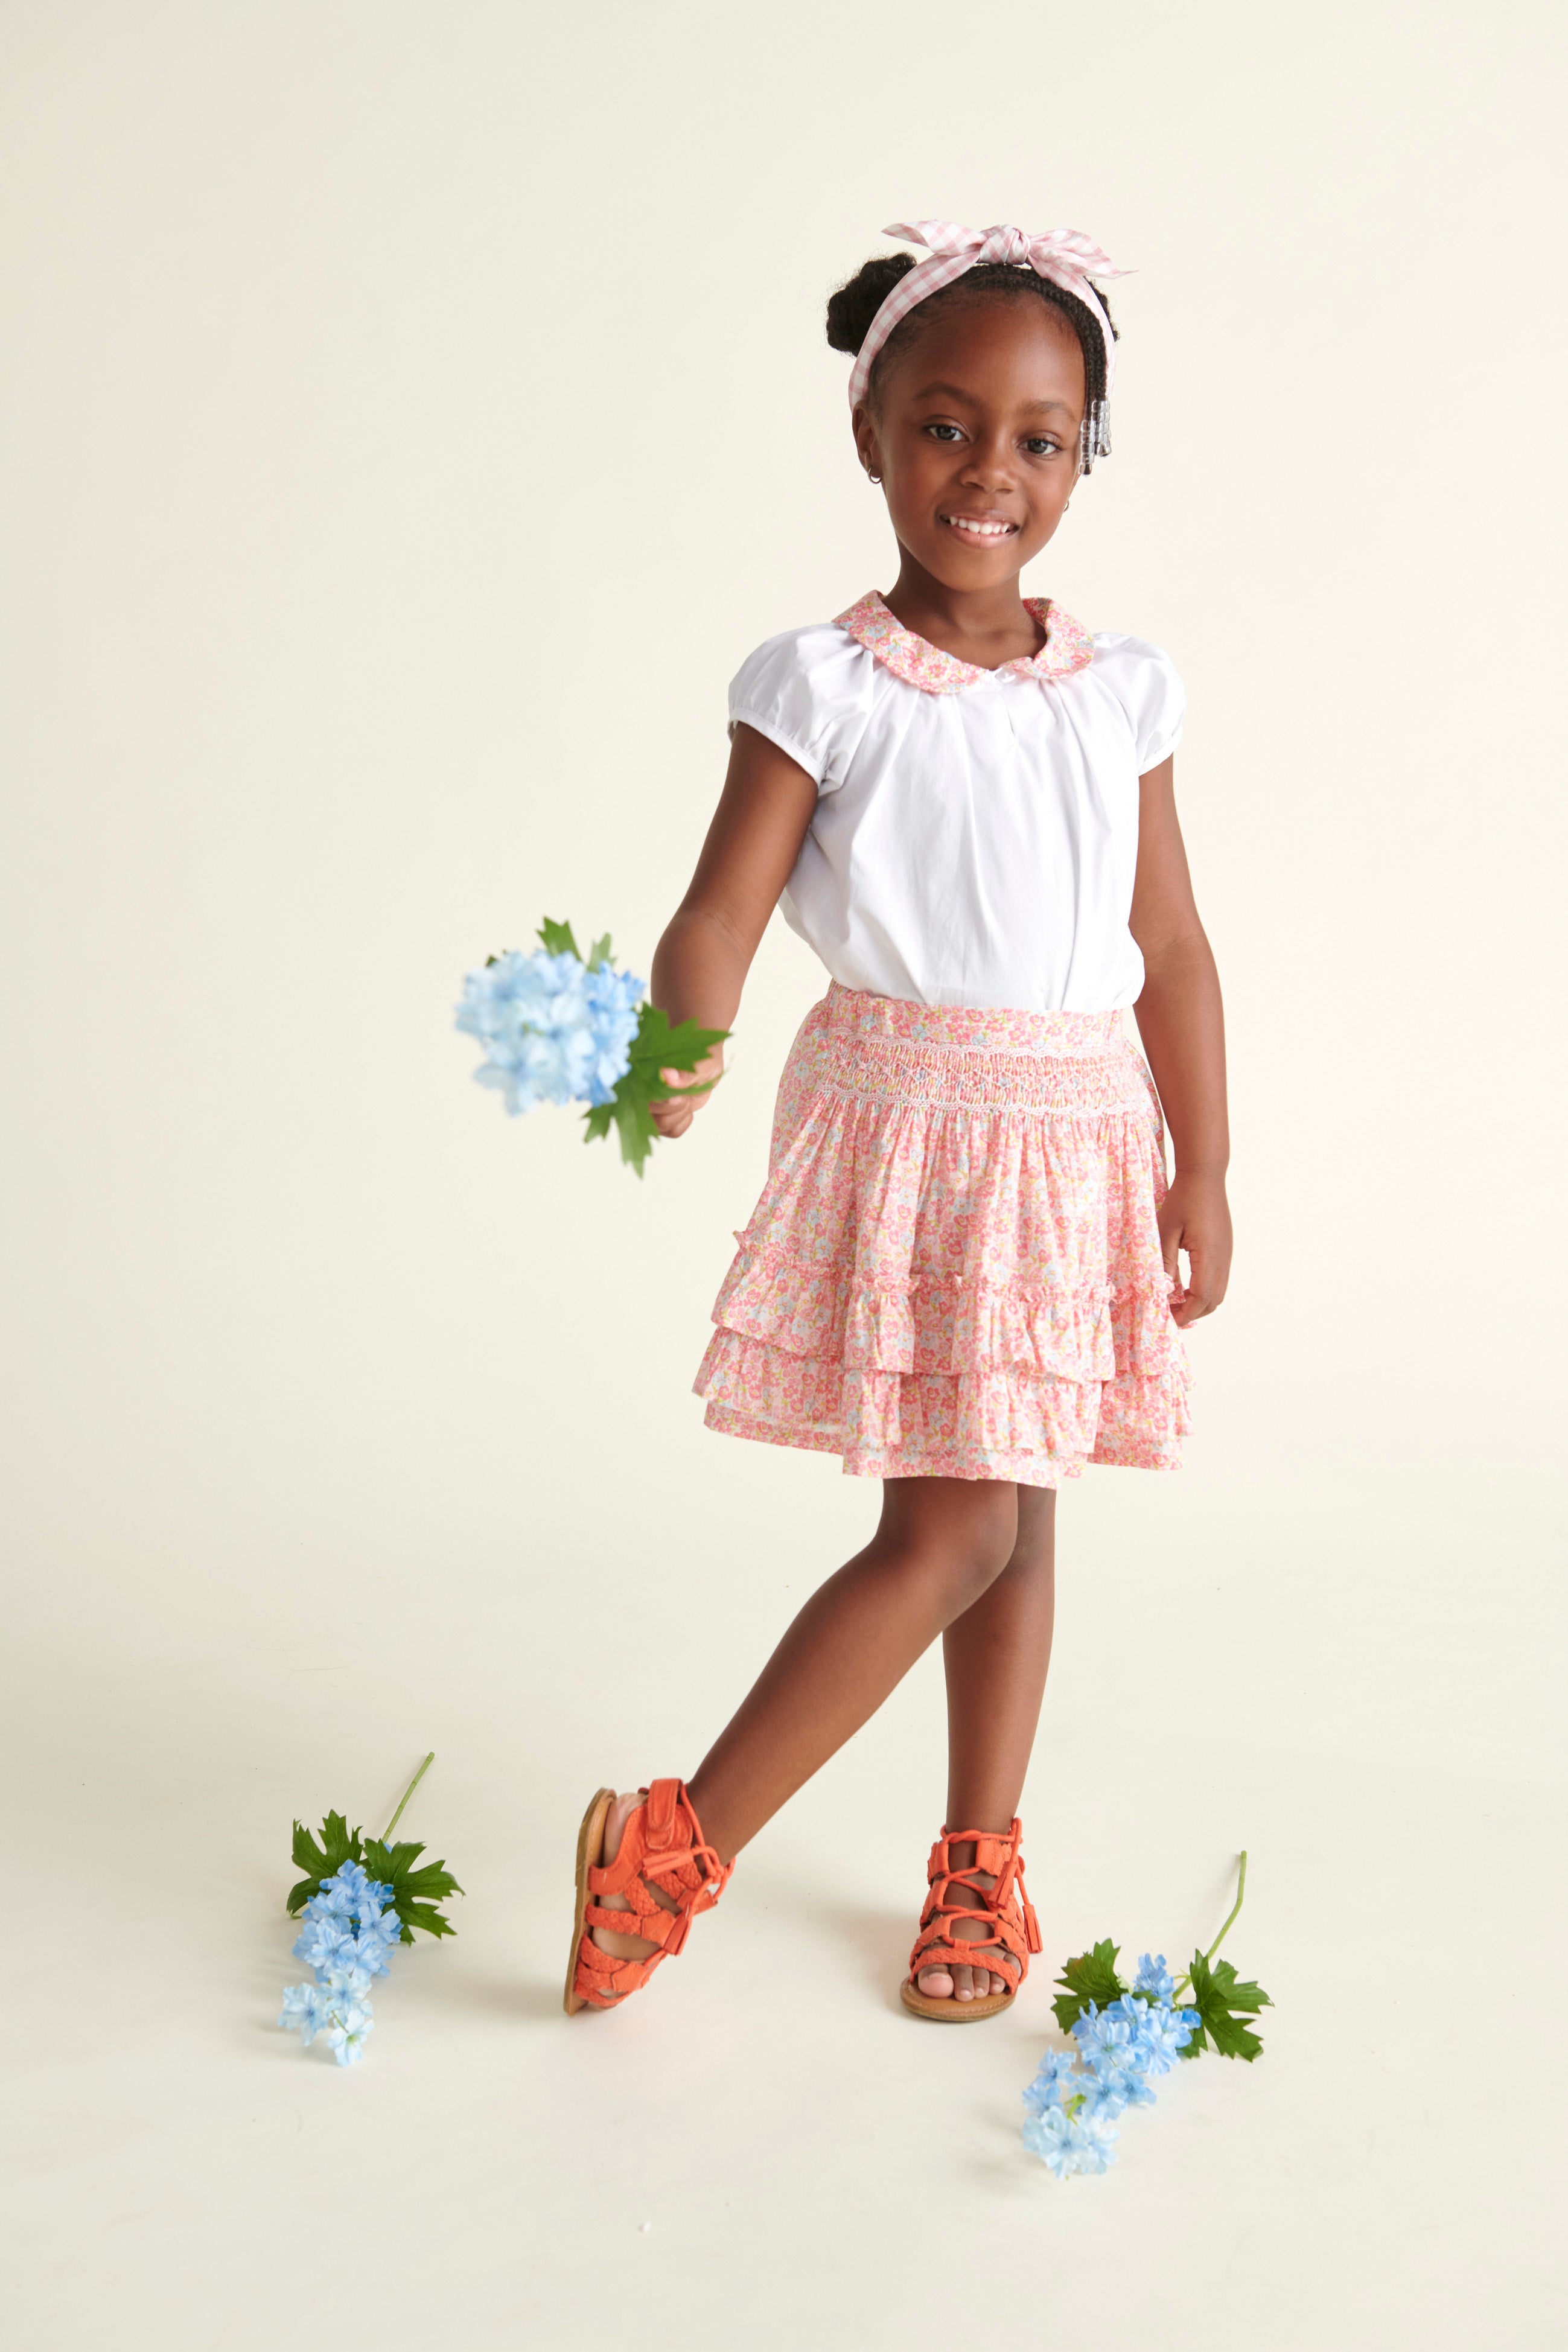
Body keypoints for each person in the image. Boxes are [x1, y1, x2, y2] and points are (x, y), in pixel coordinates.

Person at [566, 221, 1231, 2021]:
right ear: (874, 436)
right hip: (924, 1135)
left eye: (1037, 437)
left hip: (1078, 1134)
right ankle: (676, 1839)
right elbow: (720, 906)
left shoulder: (1123, 690)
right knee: (954, 1529)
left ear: (1082, 456)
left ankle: (978, 1864)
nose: (989, 474)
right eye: (946, 428)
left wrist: (1207, 1162)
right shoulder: (826, 681)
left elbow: (1167, 939)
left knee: (1020, 1503)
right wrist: (674, 1049)